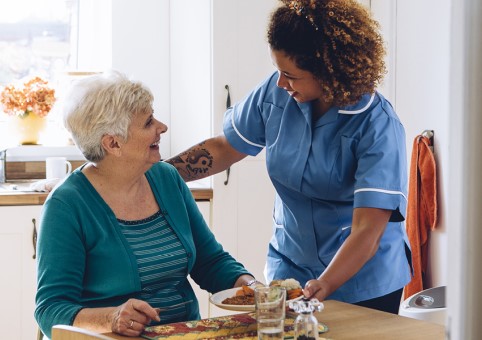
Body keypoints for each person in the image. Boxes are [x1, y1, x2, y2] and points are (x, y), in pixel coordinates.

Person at [165, 0, 411, 314]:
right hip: (290, 267)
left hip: (363, 280)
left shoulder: (378, 126)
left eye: (290, 75)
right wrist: (160, 172)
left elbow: (367, 229)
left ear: (328, 72)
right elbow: (225, 147)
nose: (281, 82)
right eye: (278, 71)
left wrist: (326, 283)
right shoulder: (277, 91)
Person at [34, 71, 259, 338]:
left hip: (183, 334)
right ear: (113, 143)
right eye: (148, 122)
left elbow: (209, 261)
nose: (162, 127)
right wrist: (112, 318)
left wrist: (252, 287)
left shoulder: (166, 178)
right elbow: (50, 309)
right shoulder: (67, 205)